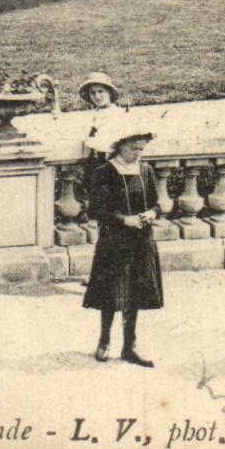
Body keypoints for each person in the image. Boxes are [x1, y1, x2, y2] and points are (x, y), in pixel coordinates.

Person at [83, 121, 165, 366]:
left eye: (141, 149)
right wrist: (124, 220)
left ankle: (129, 346)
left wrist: (151, 214)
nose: (137, 153)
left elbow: (157, 204)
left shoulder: (146, 170)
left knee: (136, 294)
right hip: (113, 241)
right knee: (110, 293)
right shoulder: (104, 172)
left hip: (141, 240)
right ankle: (104, 341)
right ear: (119, 146)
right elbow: (95, 210)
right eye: (133, 149)